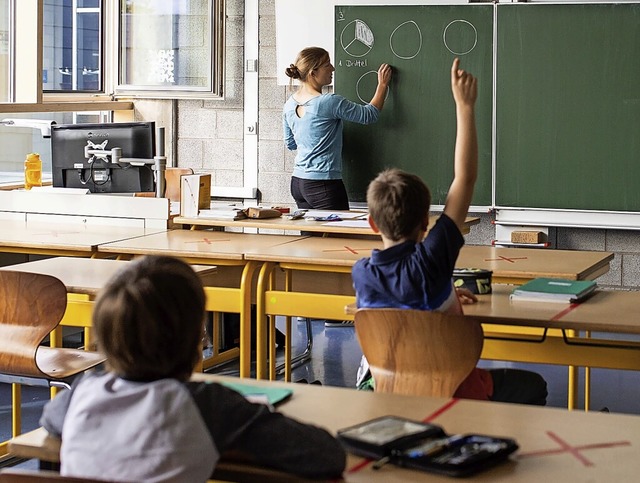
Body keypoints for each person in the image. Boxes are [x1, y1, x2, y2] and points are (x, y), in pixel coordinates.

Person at [40, 255, 346, 482]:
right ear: (196, 338)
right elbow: (326, 455)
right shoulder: (208, 406)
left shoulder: (82, 394)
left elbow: (51, 419)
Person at [351, 59, 547, 405]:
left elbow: (405, 303)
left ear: (371, 223)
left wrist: (448, 298)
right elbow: (465, 180)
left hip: (381, 389)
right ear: (426, 222)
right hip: (449, 389)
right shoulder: (432, 262)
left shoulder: (362, 273)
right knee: (534, 385)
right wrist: (464, 106)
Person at [283, 46, 392, 210]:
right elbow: (369, 115)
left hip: (298, 183)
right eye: (327, 65)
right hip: (323, 185)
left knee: (310, 236)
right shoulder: (328, 102)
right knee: (337, 235)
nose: (333, 68)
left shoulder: (289, 105)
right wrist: (383, 85)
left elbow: (290, 143)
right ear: (313, 72)